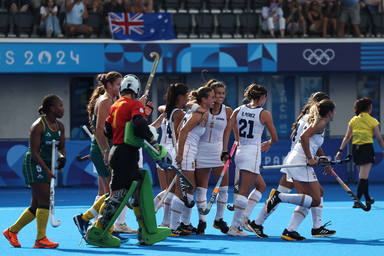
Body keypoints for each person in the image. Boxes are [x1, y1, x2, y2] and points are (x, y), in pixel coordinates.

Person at [85, 74, 171, 247]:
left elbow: (108, 129)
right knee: (119, 195)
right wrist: (152, 139)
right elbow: (139, 125)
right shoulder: (134, 104)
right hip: (128, 153)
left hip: (116, 151)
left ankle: (147, 230)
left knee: (140, 186)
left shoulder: (115, 105)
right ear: (136, 89)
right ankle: (98, 231)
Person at [251, 92, 335, 238]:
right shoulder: (316, 120)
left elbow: (313, 143)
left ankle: (260, 223)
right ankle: (295, 224)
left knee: (314, 195)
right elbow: (305, 139)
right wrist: (310, 158)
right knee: (311, 198)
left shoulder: (306, 117)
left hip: (294, 159)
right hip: (299, 161)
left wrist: (322, 159)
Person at [73, 72, 136, 237]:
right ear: (109, 86)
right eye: (117, 84)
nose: (120, 87)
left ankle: (94, 223)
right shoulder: (106, 101)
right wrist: (106, 151)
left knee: (105, 192)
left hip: (102, 147)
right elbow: (100, 129)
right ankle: (94, 223)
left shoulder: (110, 100)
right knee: (112, 192)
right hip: (104, 149)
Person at [3, 95, 65, 249]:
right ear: (51, 108)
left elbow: (61, 147)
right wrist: (47, 170)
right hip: (34, 163)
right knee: (44, 200)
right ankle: (40, 239)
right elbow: (35, 153)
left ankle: (11, 231)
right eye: (60, 105)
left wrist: (62, 157)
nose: (62, 109)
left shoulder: (60, 126)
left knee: (36, 205)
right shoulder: (38, 126)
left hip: (46, 165)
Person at [222, 83, 278, 237]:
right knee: (244, 192)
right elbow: (275, 137)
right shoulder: (264, 113)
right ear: (262, 97)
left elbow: (228, 130)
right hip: (252, 153)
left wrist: (225, 150)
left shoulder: (238, 110)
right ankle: (235, 226)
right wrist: (269, 143)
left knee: (261, 186)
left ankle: (244, 218)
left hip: (239, 152)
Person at [169, 86, 215, 236]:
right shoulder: (197, 113)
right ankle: (173, 226)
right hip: (187, 151)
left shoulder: (197, 110)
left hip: (190, 150)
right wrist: (181, 153)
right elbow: (182, 131)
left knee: (188, 188)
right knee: (185, 188)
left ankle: (185, 224)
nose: (214, 100)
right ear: (204, 99)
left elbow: (180, 130)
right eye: (211, 97)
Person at [193, 80, 235, 235]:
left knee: (224, 188)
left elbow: (228, 132)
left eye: (223, 93)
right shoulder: (201, 109)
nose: (220, 96)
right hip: (201, 150)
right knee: (201, 188)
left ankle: (219, 219)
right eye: (218, 93)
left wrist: (225, 150)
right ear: (212, 95)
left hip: (218, 152)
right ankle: (202, 222)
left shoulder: (228, 111)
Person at [152, 83, 189, 228]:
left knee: (167, 190)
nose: (187, 99)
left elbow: (153, 126)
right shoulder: (180, 114)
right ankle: (153, 212)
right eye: (186, 96)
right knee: (173, 190)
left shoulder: (166, 112)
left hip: (161, 151)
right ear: (180, 97)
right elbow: (180, 136)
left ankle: (165, 222)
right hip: (172, 153)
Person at [336, 97, 384, 208]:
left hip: (355, 150)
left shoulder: (353, 120)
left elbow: (347, 137)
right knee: (363, 177)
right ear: (369, 108)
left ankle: (367, 198)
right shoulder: (373, 120)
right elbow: (379, 138)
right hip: (366, 149)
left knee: (363, 176)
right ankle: (357, 201)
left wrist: (340, 150)